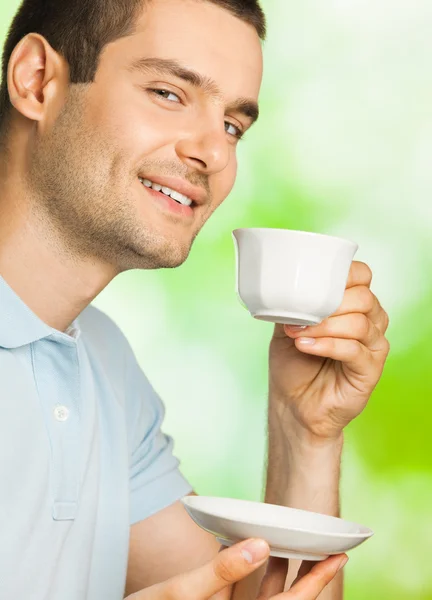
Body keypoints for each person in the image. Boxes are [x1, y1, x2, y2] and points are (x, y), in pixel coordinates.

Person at [0, 0, 390, 598]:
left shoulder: (102, 366)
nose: (213, 153)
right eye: (168, 93)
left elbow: (240, 592)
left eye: (233, 125)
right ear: (38, 81)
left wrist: (304, 430)